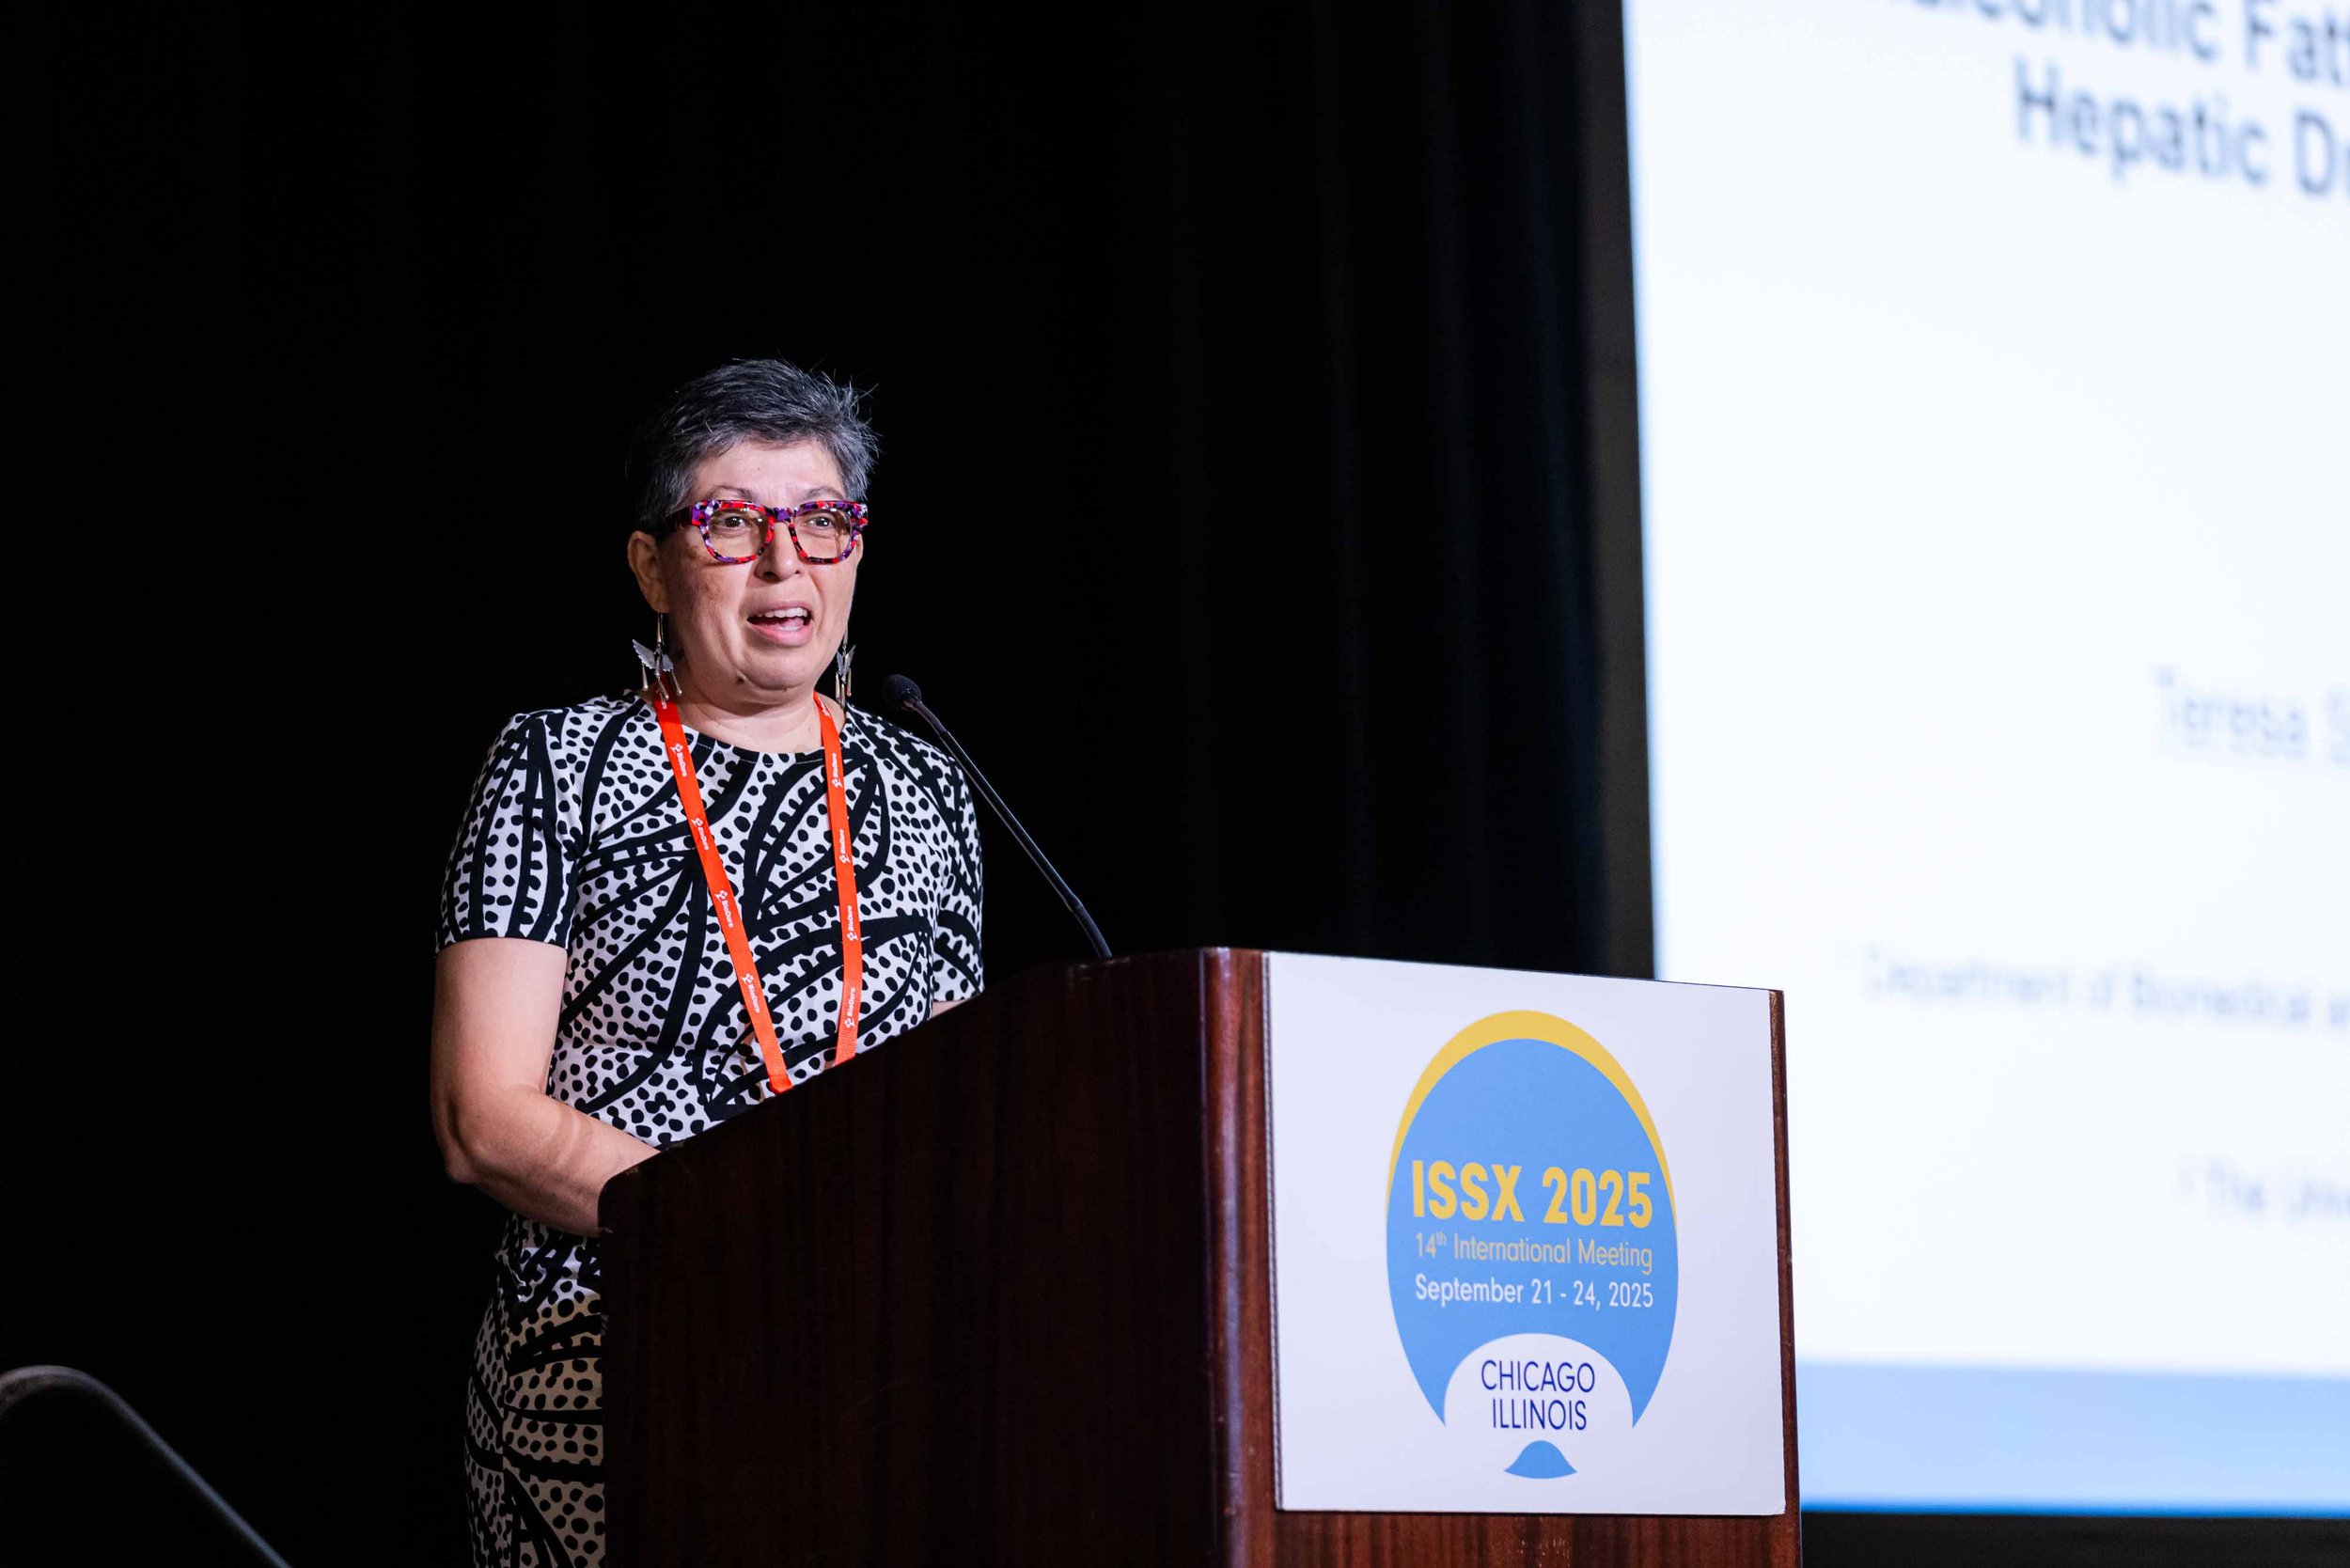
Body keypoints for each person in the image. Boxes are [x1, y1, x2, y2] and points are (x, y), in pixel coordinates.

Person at [430, 358, 983, 1568]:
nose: (786, 564)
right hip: (611, 1364)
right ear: (650, 566)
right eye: (733, 523)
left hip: (881, 1376)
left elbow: (958, 1112)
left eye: (823, 521)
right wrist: (758, 1226)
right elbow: (484, 1119)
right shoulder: (553, 764)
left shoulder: (930, 784)